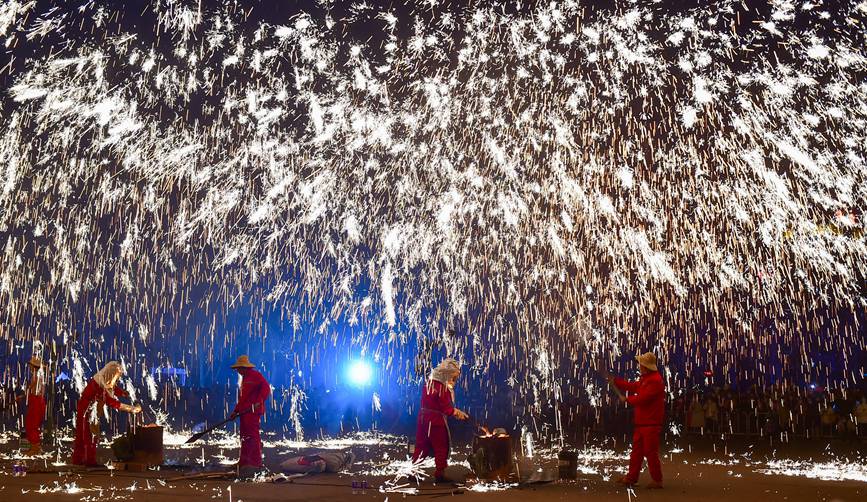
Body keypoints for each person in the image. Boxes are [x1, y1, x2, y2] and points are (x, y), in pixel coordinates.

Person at [604, 352, 665, 489]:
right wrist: (616, 381)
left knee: (651, 453)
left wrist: (628, 399)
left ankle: (657, 480)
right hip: (642, 423)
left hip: (651, 423)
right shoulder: (646, 379)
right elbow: (633, 386)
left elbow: (643, 398)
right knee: (636, 452)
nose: (639, 367)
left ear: (646, 366)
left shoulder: (655, 380)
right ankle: (631, 478)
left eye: (641, 364)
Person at [72, 361, 141, 466]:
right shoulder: (98, 385)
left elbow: (112, 387)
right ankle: (89, 461)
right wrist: (131, 409)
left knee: (84, 435)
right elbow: (111, 402)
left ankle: (78, 460)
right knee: (90, 435)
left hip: (89, 409)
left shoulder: (102, 379)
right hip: (88, 411)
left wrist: (123, 393)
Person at [412, 357, 469, 482]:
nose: (454, 380)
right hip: (436, 422)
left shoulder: (429, 384)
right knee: (441, 447)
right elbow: (446, 409)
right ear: (447, 374)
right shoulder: (442, 388)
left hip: (422, 420)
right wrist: (457, 413)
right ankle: (440, 474)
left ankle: (413, 472)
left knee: (421, 446)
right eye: (453, 377)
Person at [229, 355, 271, 468]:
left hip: (253, 412)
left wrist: (259, 401)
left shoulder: (255, 375)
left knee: (253, 436)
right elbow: (244, 398)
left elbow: (267, 388)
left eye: (238, 368)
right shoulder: (245, 378)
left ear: (244, 367)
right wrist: (236, 411)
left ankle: (256, 463)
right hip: (245, 412)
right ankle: (244, 461)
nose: (237, 370)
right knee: (245, 437)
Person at [24, 357, 48, 455]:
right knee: (35, 424)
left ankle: (35, 448)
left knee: (31, 424)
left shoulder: (35, 375)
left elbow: (31, 389)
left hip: (36, 401)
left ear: (33, 366)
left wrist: (24, 394)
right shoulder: (41, 375)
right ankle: (36, 447)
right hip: (40, 401)